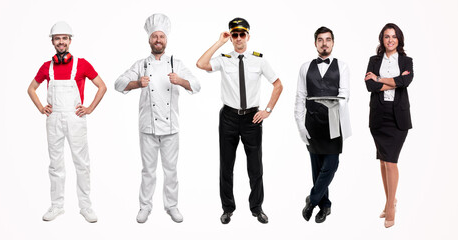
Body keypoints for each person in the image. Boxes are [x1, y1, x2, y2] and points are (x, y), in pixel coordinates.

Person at [115, 13, 200, 224]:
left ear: (166, 39)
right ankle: (145, 207)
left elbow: (197, 85)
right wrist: (136, 83)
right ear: (149, 40)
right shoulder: (141, 64)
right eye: (155, 37)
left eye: (161, 36)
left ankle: (172, 207)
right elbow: (118, 83)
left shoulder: (175, 63)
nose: (158, 40)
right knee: (148, 171)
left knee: (171, 171)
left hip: (171, 127)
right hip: (147, 127)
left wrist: (180, 80)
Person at [196, 17, 283, 224]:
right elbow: (201, 64)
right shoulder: (224, 58)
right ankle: (227, 208)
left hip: (252, 118)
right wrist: (219, 43)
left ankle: (257, 207)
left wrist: (267, 110)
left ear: (248, 36)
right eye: (234, 34)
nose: (237, 38)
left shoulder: (259, 59)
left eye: (241, 34)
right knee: (226, 165)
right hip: (228, 117)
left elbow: (278, 85)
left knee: (255, 166)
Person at [27, 21, 107, 223]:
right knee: (55, 165)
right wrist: (40, 107)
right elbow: (31, 89)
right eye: (57, 39)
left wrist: (89, 108)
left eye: (64, 38)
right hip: (53, 119)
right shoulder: (47, 67)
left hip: (75, 118)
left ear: (70, 41)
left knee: (82, 163)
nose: (61, 42)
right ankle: (57, 206)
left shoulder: (82, 64)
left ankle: (86, 206)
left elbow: (102, 86)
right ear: (52, 42)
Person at [294, 26, 351, 223]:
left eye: (328, 39)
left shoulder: (342, 66)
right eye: (320, 40)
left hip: (334, 123)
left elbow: (345, 95)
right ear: (315, 43)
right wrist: (300, 125)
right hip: (312, 124)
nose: (324, 43)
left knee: (331, 165)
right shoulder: (304, 67)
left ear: (333, 43)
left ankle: (313, 199)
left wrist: (331, 102)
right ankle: (325, 206)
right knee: (317, 169)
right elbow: (300, 97)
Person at [364, 23, 413, 228]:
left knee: (391, 161)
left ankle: (391, 207)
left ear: (399, 39)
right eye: (386, 36)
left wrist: (380, 79)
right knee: (383, 162)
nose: (390, 40)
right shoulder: (374, 61)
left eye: (394, 36)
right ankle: (389, 200)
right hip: (378, 116)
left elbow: (406, 81)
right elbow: (369, 85)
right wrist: (393, 80)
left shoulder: (406, 60)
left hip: (398, 116)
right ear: (382, 39)